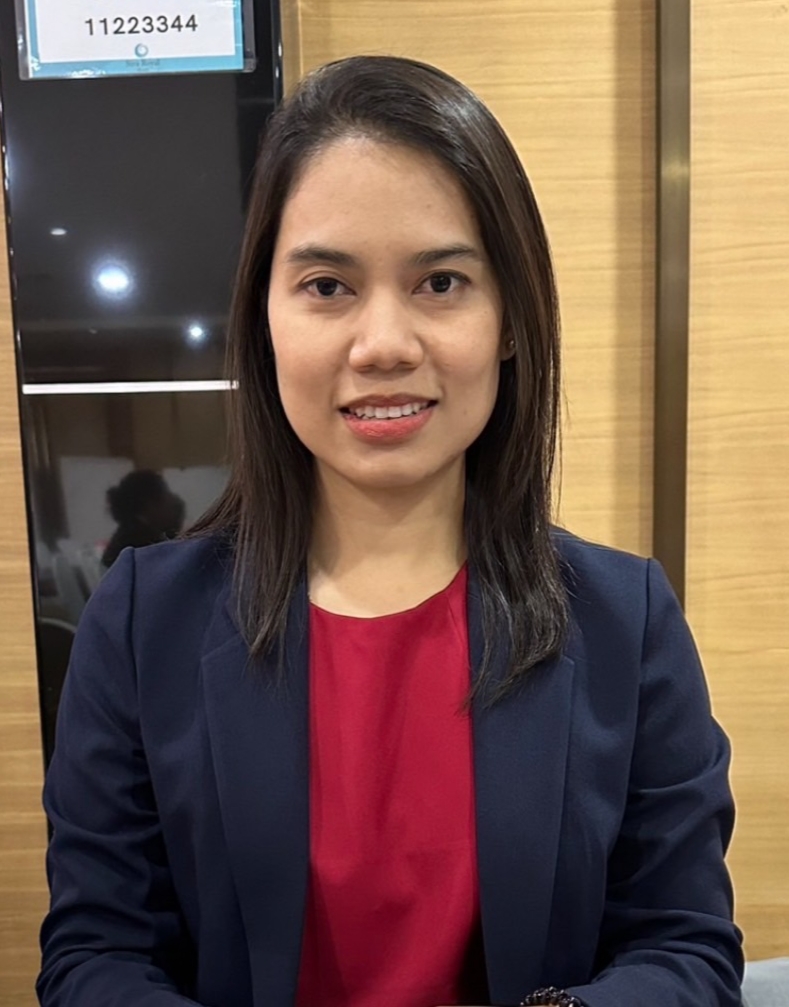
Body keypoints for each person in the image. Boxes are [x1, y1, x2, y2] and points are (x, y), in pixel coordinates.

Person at [37, 56, 743, 1007]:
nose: (382, 345)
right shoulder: (140, 622)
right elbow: (95, 957)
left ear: (508, 320)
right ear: (264, 321)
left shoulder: (628, 622)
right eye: (327, 285)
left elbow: (685, 949)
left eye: (440, 282)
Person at [101, 469, 186, 568]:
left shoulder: (128, 535)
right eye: (167, 499)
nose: (173, 507)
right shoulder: (142, 544)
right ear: (150, 504)